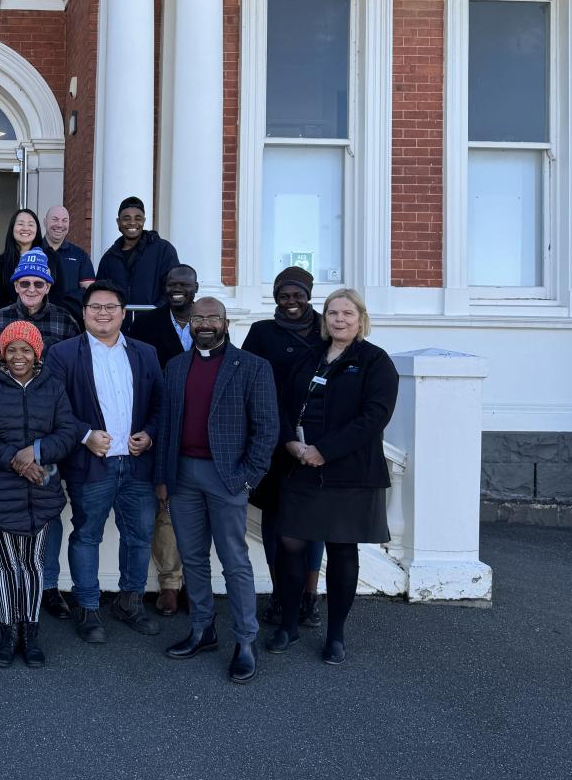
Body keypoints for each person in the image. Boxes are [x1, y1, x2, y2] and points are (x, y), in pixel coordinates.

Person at [266, 289, 399, 666]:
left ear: (361, 318)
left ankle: (335, 635)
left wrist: (325, 450)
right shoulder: (310, 357)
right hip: (300, 467)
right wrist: (291, 443)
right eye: (332, 313)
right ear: (323, 319)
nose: (339, 319)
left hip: (349, 473)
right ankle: (289, 624)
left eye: (347, 313)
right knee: (289, 543)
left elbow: (375, 416)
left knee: (342, 550)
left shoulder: (375, 361)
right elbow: (284, 405)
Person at [155, 297, 278, 684]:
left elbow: (267, 428)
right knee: (192, 559)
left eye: (212, 317)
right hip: (182, 476)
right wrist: (163, 476)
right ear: (189, 323)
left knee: (235, 562)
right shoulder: (175, 366)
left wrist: (246, 479)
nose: (204, 323)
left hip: (226, 477)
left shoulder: (252, 367)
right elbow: (165, 424)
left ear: (225, 322)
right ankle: (202, 630)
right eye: (198, 318)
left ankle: (245, 640)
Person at [44, 280, 163, 644]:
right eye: (95, 307)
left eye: (111, 307)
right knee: (87, 536)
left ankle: (130, 601)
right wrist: (85, 435)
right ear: (83, 313)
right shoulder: (63, 354)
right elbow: (53, 407)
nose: (103, 313)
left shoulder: (145, 352)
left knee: (139, 537)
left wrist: (151, 433)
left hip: (137, 464)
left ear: (123, 313)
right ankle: (88, 606)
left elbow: (161, 403)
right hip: (91, 464)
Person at [0, 321, 82, 668]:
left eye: (26, 349)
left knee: (32, 565)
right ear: (2, 353)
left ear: (37, 353)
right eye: (12, 349)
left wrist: (37, 450)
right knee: (6, 565)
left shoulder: (53, 386)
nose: (19, 355)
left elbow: (67, 431)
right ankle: (8, 632)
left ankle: (30, 633)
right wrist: (16, 461)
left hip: (41, 490)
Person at [242, 266, 328, 629]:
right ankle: (280, 596)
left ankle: (310, 595)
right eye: (284, 295)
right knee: (275, 521)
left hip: (316, 441)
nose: (291, 302)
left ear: (309, 294)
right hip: (273, 437)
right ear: (275, 296)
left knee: (314, 523)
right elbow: (246, 377)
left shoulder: (328, 328)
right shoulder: (262, 332)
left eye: (298, 294)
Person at [129, 263, 199, 616]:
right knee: (166, 510)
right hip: (163, 426)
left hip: (202, 430)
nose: (177, 289)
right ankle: (170, 584)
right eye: (172, 284)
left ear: (195, 287)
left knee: (199, 512)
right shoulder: (147, 325)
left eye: (184, 284)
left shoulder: (208, 321)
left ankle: (195, 584)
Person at [0, 247, 79, 361]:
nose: (31, 290)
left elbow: (74, 363)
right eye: (25, 284)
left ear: (47, 288)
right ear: (16, 286)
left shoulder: (65, 320)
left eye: (38, 284)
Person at [95, 196, 179, 322]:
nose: (132, 223)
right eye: (126, 218)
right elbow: (100, 293)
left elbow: (173, 286)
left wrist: (155, 313)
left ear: (144, 221)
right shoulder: (109, 258)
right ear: (118, 222)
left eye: (138, 218)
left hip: (154, 326)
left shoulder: (163, 250)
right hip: (118, 329)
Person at [0, 208, 63, 310]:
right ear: (12, 228)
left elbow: (58, 294)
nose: (26, 228)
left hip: (45, 320)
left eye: (31, 224)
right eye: (20, 224)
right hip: (10, 320)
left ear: (37, 229)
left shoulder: (51, 257)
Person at [42, 206, 95, 312]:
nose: (60, 225)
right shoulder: (33, 251)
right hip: (36, 318)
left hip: (71, 319)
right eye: (55, 219)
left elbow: (89, 292)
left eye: (64, 220)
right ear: (45, 222)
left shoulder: (80, 255)